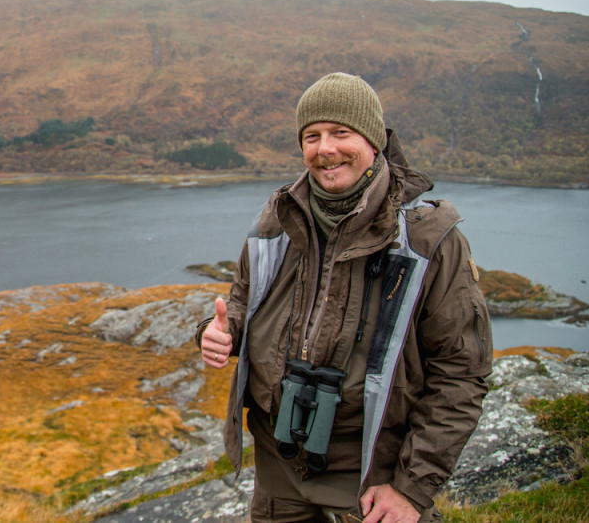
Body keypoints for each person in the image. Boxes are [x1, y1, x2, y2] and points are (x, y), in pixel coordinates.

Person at [196, 72, 492, 522]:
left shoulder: (429, 240)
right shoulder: (276, 221)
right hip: (279, 466)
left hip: (372, 476)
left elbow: (461, 373)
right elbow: (242, 304)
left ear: (373, 140)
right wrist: (221, 332)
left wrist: (411, 489)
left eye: (341, 132)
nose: (325, 148)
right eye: (311, 136)